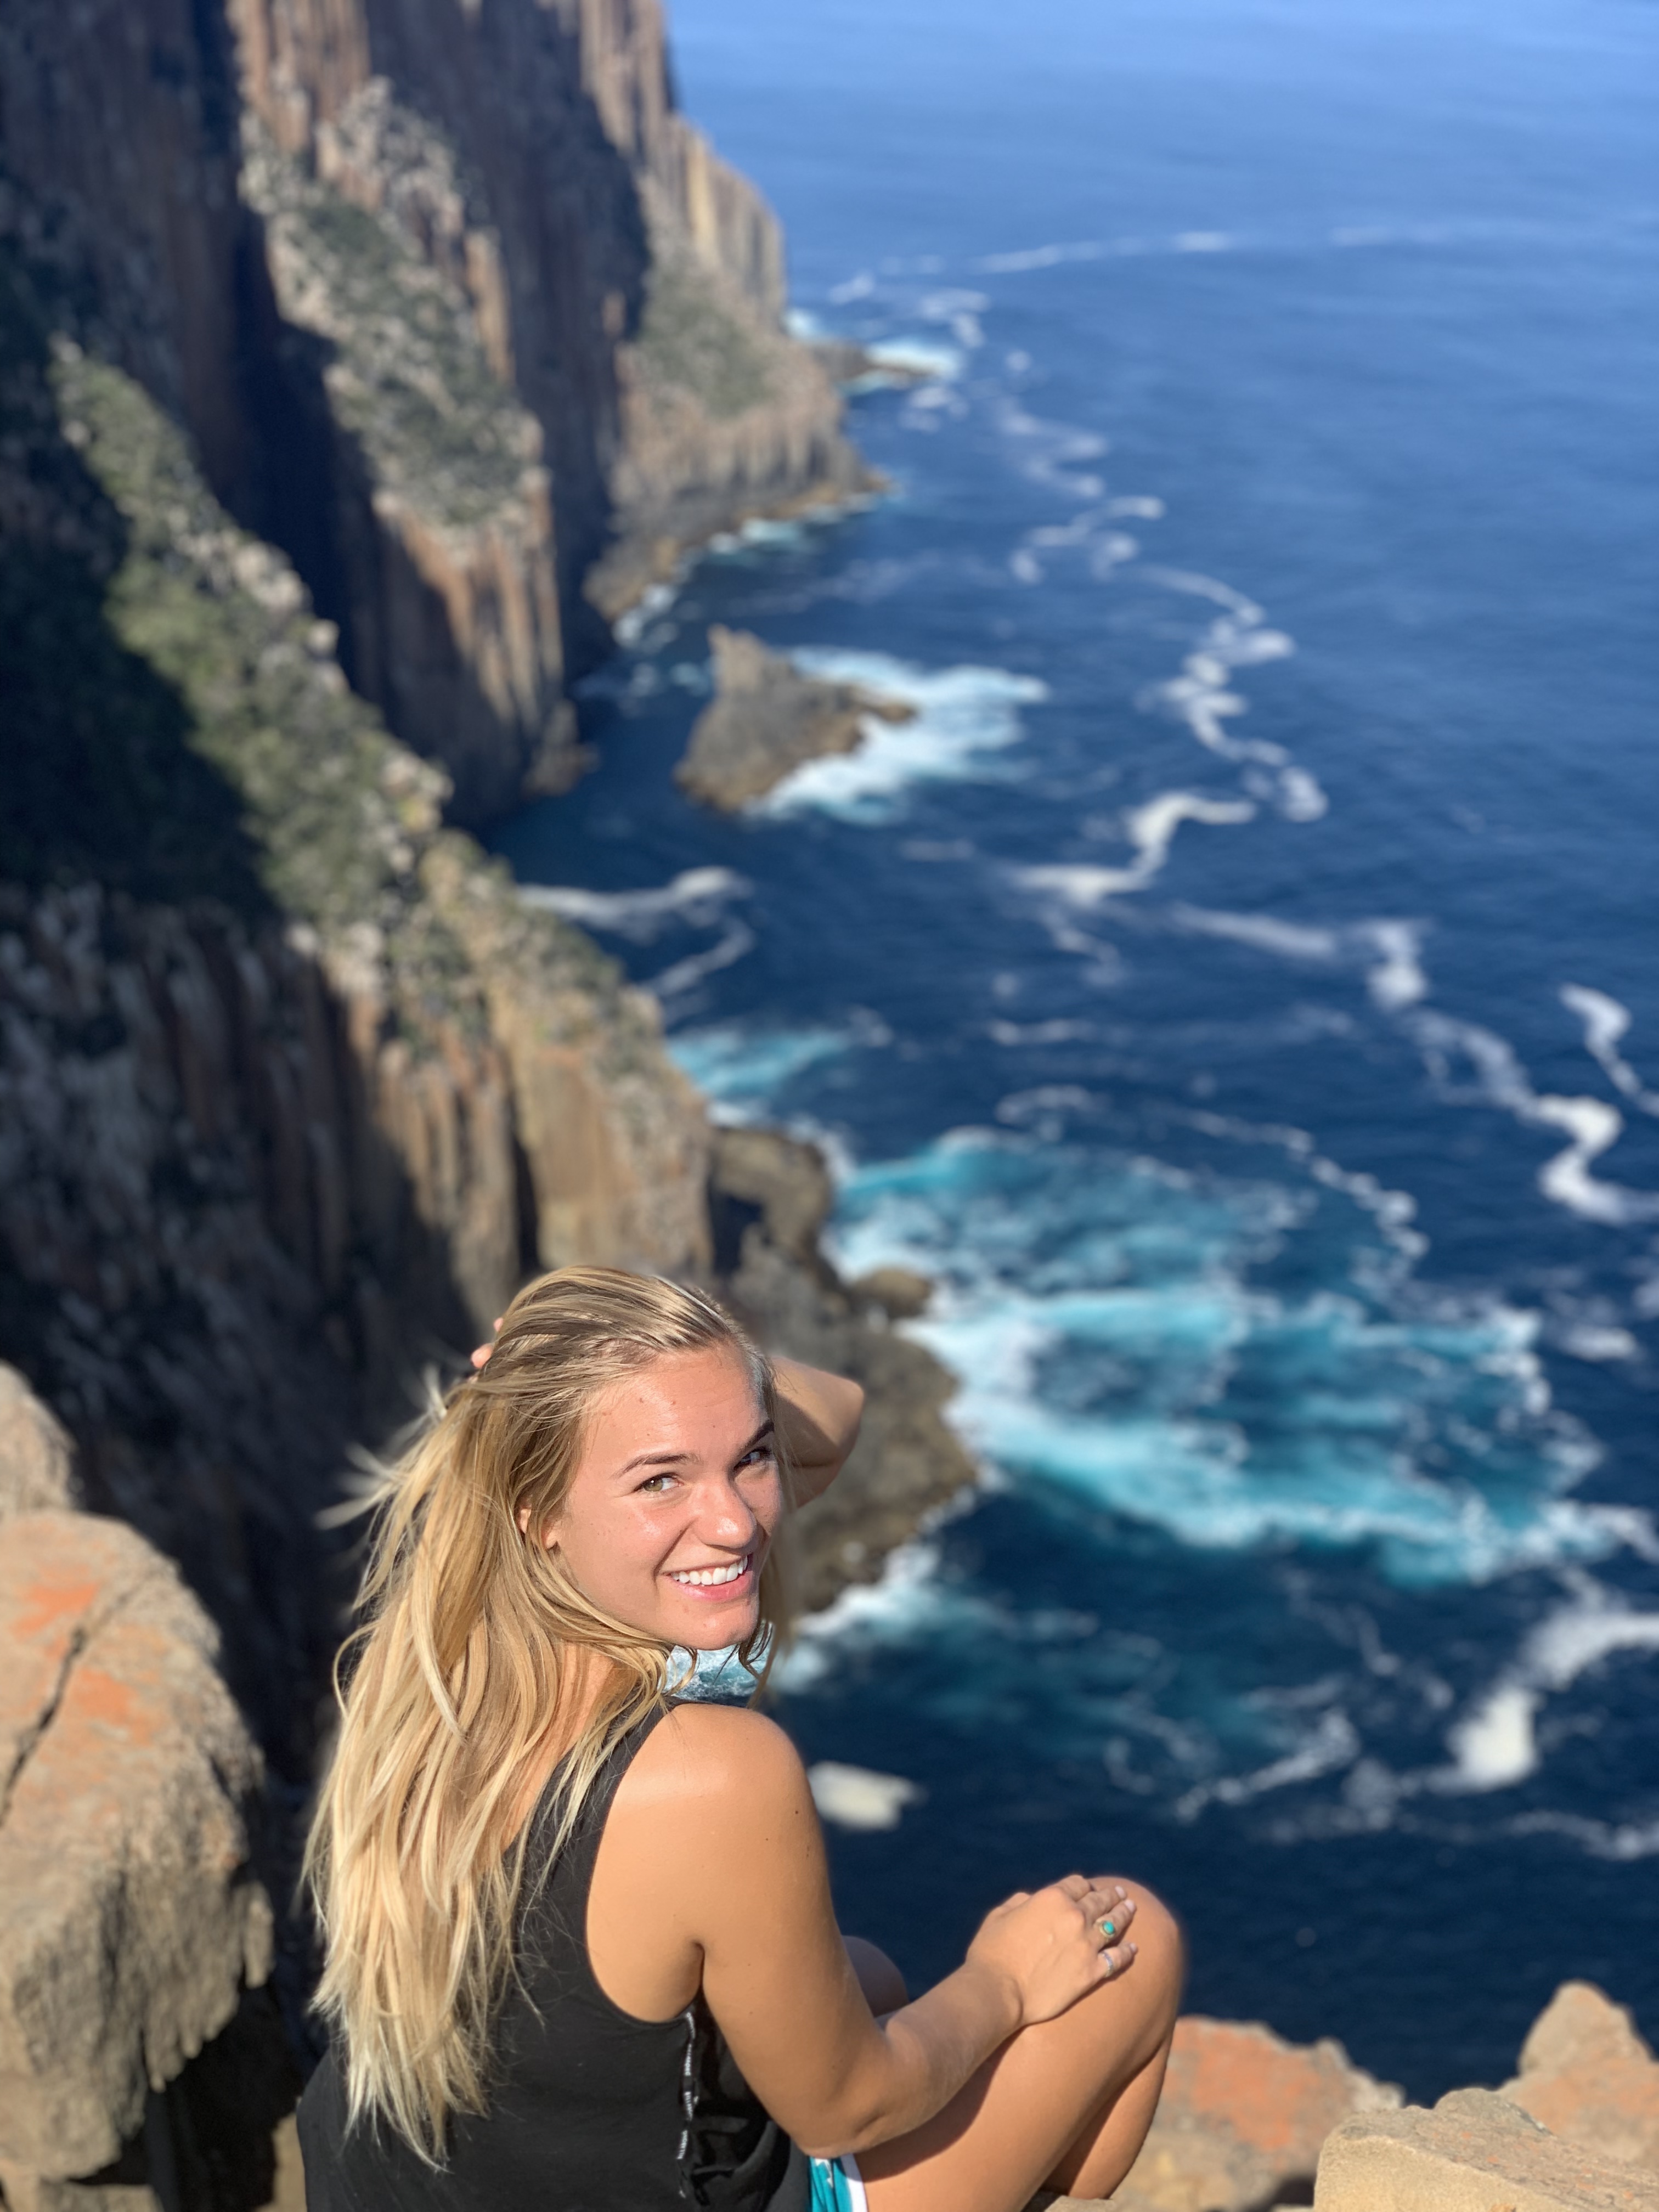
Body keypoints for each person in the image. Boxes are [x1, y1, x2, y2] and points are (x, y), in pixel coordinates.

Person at [297, 1266, 1183, 2212]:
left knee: (867, 1975)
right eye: (660, 1479)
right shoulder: (710, 1775)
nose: (734, 1522)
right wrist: (1006, 1981)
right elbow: (853, 2107)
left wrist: (655, 1352)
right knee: (1128, 1941)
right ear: (540, 1513)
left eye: (752, 1458)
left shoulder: (437, 1671)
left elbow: (832, 1416)